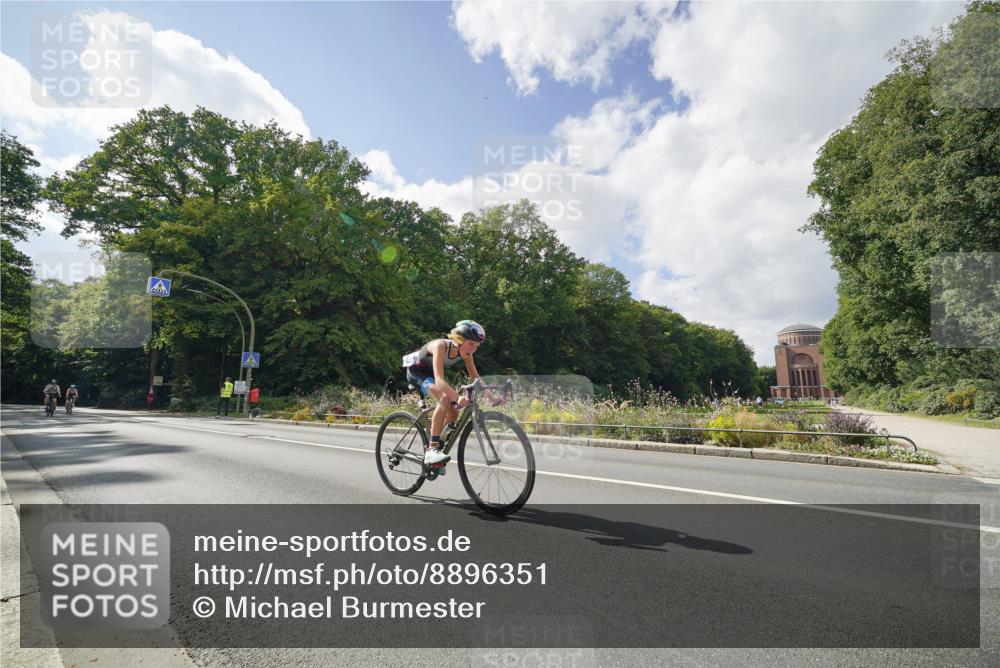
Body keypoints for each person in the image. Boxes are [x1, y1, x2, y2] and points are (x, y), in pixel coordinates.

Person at [403, 320, 503, 466]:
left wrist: (492, 397)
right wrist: (457, 397)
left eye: (477, 346)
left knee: (454, 413)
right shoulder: (440, 346)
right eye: (471, 344)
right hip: (416, 372)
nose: (473, 349)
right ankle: (431, 450)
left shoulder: (466, 353)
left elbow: (476, 378)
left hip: (430, 374)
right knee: (445, 398)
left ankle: (438, 449)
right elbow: (440, 382)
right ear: (459, 340)